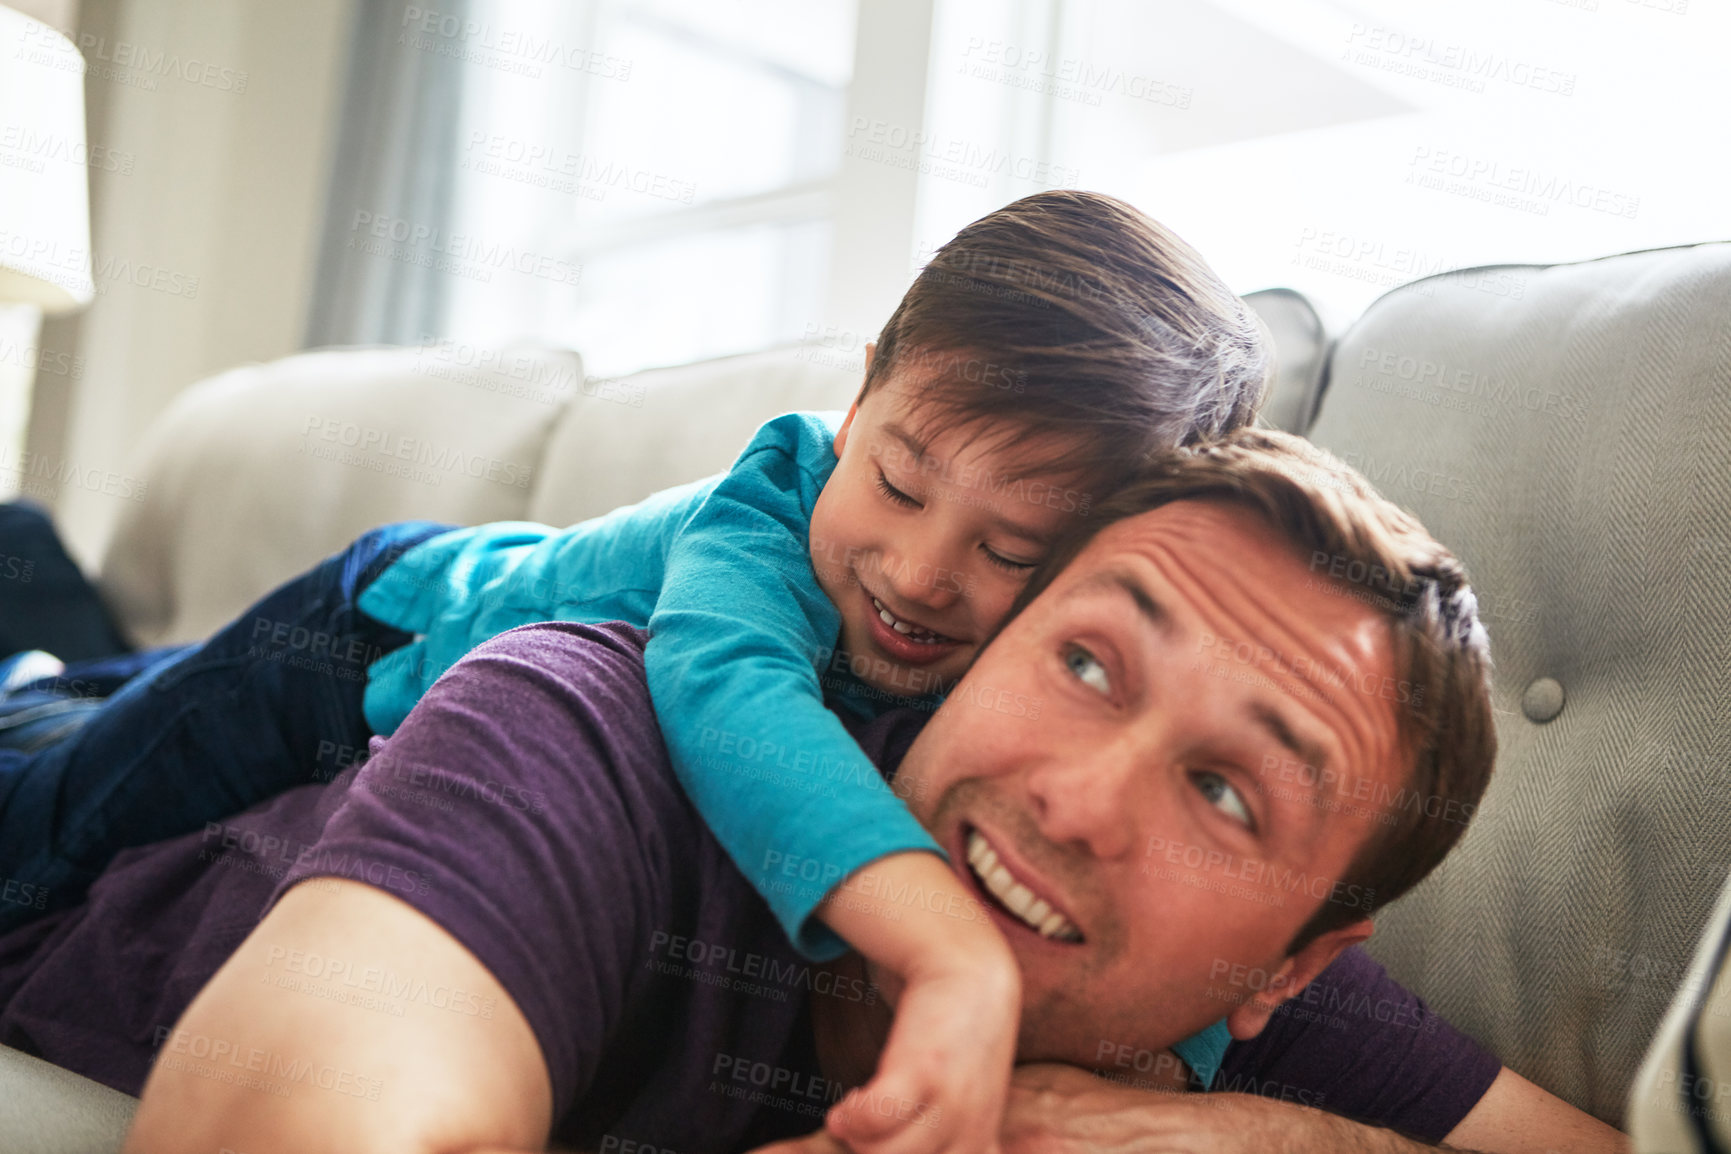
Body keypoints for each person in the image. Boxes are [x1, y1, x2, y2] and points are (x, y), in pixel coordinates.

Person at [0, 190, 1272, 1150]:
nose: (924, 572)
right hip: (359, 635)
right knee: (59, 814)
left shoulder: (1048, 681)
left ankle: (49, 667)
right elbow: (737, 707)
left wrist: (1174, 1057)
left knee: (83, 695)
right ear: (861, 395)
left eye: (1012, 550)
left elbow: (1190, 924)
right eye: (895, 479)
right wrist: (946, 947)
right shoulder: (766, 513)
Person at [1, 429, 1626, 1153]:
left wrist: (1273, 1142)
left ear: (1289, 965)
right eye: (1084, 662)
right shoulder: (602, 718)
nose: (1076, 801)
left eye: (1224, 789)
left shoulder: (1217, 1016)